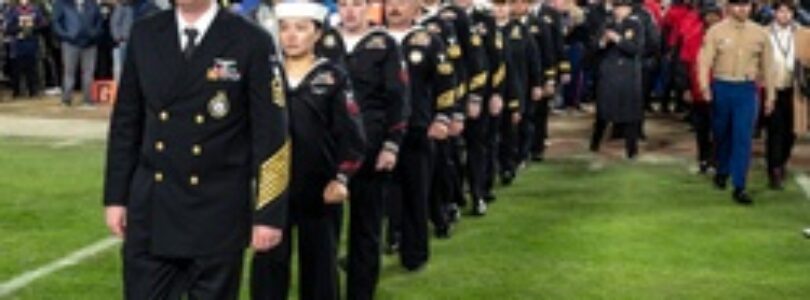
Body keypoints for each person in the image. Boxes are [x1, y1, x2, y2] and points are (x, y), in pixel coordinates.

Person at [102, 0, 289, 297]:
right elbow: (126, 122)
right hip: (153, 207)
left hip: (217, 210)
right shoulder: (145, 33)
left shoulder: (251, 40)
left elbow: (271, 136)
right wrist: (116, 197)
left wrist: (268, 214)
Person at [251, 2, 367, 299]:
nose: (291, 36)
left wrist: (341, 178)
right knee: (268, 264)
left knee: (320, 267)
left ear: (317, 34)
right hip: (272, 189)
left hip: (320, 187)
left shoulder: (333, 77)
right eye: (285, 28)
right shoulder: (265, 74)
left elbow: (352, 135)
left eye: (301, 28)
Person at [317, 0, 410, 297]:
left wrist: (392, 145)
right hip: (328, 151)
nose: (350, 11)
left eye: (357, 4)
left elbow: (398, 97)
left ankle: (361, 293)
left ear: (369, 7)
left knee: (366, 229)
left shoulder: (385, 45)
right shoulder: (323, 41)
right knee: (323, 232)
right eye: (343, 4)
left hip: (371, 148)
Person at [385, 0, 456, 268]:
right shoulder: (374, 41)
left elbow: (447, 80)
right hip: (380, 132)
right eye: (390, 2)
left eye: (402, 3)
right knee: (383, 194)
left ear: (416, 8)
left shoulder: (430, 41)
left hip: (417, 128)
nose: (394, 7)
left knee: (416, 191)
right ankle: (391, 238)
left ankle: (415, 253)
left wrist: (442, 117)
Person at [698, 0, 774, 205]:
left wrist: (771, 95)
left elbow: (768, 66)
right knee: (721, 134)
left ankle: (740, 185)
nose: (743, 9)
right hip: (721, 87)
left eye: (746, 5)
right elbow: (704, 60)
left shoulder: (760, 33)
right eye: (738, 5)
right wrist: (704, 86)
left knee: (743, 138)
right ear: (729, 7)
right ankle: (722, 171)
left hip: (746, 90)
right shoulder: (716, 31)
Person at [589, 0, 644, 159]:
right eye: (616, 7)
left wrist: (618, 39)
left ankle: (631, 150)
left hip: (628, 74)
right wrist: (602, 42)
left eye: (622, 7)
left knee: (630, 114)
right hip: (608, 73)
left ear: (629, 9)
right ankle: (595, 143)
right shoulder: (607, 23)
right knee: (603, 112)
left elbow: (636, 49)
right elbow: (593, 48)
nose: (619, 10)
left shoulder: (636, 25)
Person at [764, 0, 807, 190]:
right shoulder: (764, 33)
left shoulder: (803, 34)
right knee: (775, 131)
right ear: (774, 13)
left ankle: (781, 162)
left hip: (795, 89)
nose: (785, 15)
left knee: (792, 131)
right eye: (781, 11)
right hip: (772, 89)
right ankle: (774, 169)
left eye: (788, 12)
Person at [52, 0, 103, 106]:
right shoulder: (62, 3)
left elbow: (99, 22)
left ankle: (88, 100)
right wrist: (66, 35)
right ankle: (66, 99)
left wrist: (94, 34)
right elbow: (56, 23)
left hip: (90, 43)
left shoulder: (92, 4)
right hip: (70, 43)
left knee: (88, 73)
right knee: (69, 72)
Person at [111, 0, 159, 81]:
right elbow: (114, 23)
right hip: (126, 42)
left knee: (142, 68)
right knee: (124, 69)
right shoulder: (123, 6)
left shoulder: (149, 6)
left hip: (142, 43)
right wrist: (119, 37)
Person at [5, 0, 45, 98]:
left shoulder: (35, 9)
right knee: (16, 69)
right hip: (17, 44)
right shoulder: (13, 10)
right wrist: (19, 27)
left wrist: (33, 27)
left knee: (31, 68)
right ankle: (16, 91)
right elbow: (7, 28)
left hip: (31, 43)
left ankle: (33, 90)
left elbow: (43, 24)